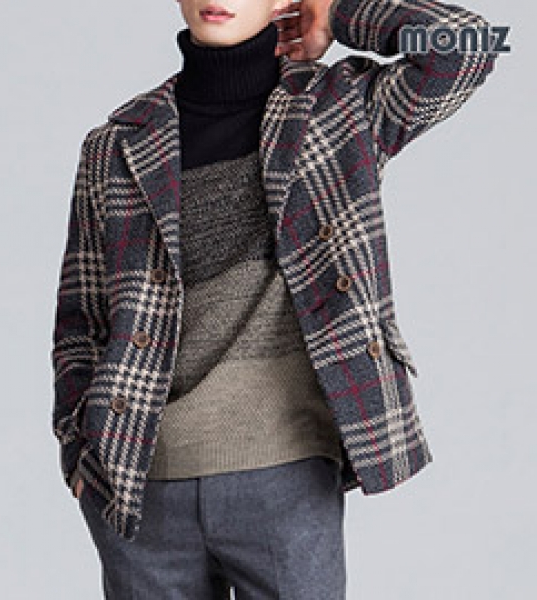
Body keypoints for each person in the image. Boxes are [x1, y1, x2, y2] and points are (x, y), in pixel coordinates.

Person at [51, 1, 498, 598]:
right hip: (140, 488)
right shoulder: (115, 146)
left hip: (286, 477)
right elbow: (80, 320)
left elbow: (471, 44)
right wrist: (80, 454)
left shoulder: (338, 108)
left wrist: (337, 13)